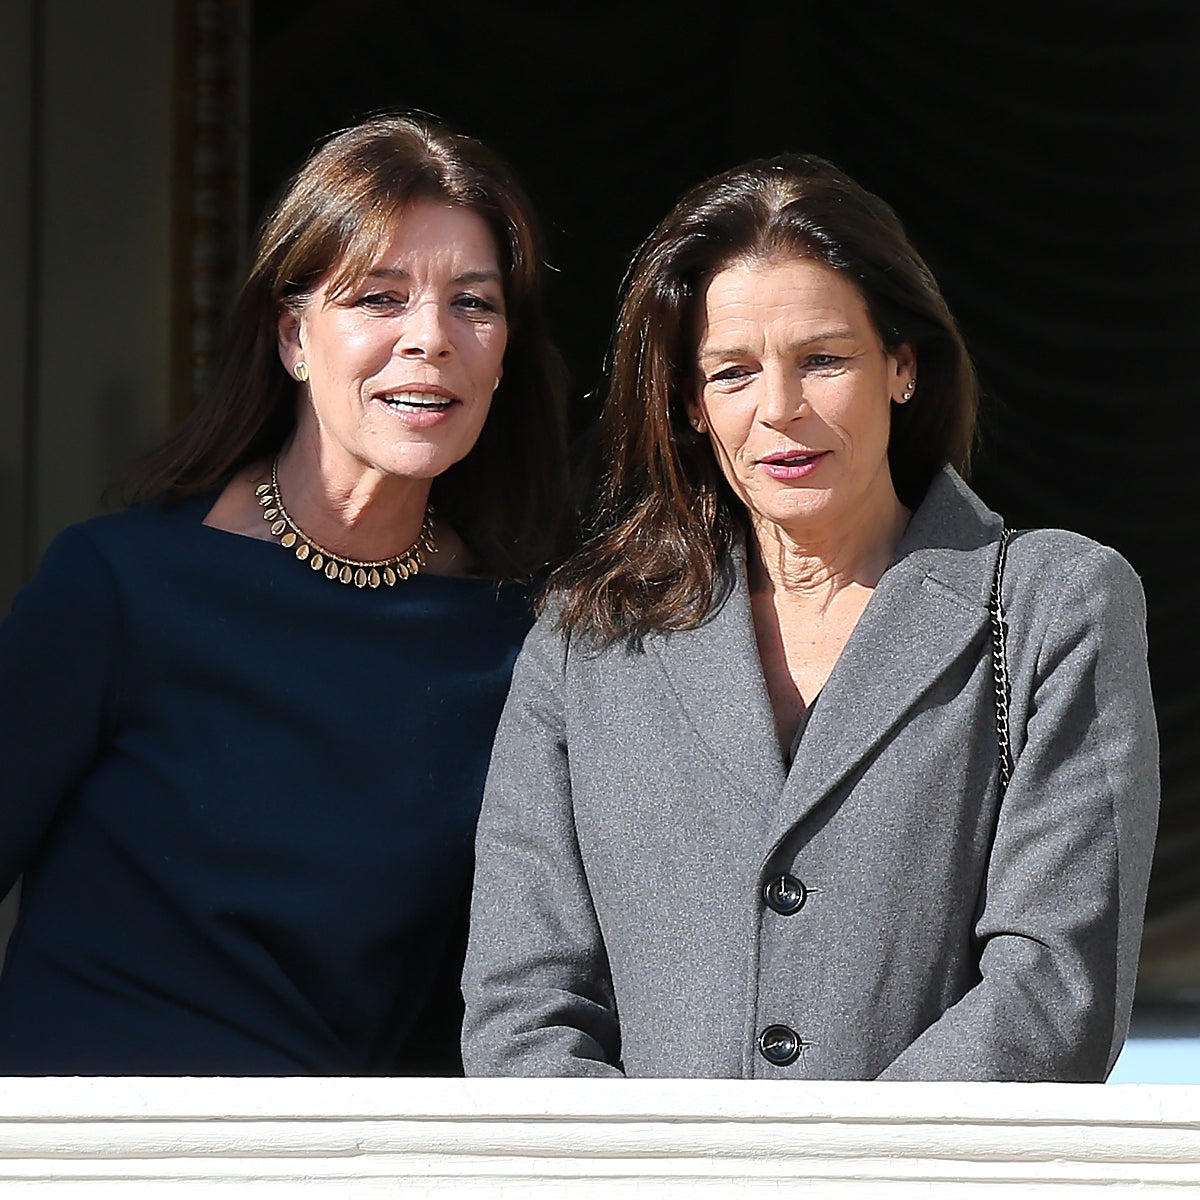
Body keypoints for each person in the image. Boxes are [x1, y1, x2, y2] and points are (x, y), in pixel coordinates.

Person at [461, 154, 1159, 1082]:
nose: (779, 410)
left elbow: (1053, 988)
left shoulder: (1053, 604)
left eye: (822, 359)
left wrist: (837, 1173)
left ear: (902, 367)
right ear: (689, 405)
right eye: (733, 372)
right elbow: (524, 1013)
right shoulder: (586, 640)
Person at [0, 114, 566, 1075]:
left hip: (333, 1163)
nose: (429, 339)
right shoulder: (121, 586)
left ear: (505, 352)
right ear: (294, 337)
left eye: (473, 303)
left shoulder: (522, 644)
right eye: (379, 299)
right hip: (81, 1149)